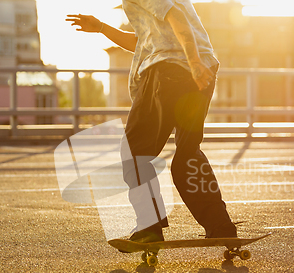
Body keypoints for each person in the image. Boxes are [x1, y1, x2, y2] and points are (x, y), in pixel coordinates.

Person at [66, 0, 237, 243]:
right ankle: (220, 226)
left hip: (169, 71)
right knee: (188, 153)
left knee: (136, 152)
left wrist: (194, 62)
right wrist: (102, 27)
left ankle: (149, 227)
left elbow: (176, 16)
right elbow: (145, 43)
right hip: (199, 72)